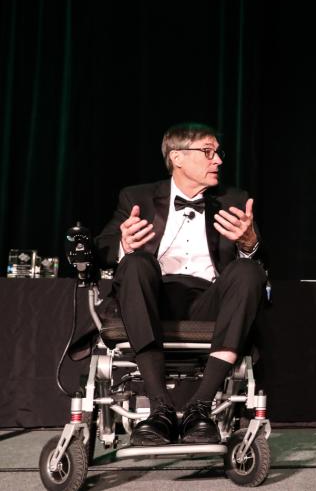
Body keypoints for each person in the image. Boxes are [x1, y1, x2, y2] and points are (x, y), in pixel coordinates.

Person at [95, 122, 266, 446]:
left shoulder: (234, 198)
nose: (218, 160)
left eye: (218, 152)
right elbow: (101, 247)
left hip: (210, 300)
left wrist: (249, 243)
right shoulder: (137, 197)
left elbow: (262, 260)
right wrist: (123, 244)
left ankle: (200, 406)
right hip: (152, 296)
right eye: (208, 152)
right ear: (177, 157)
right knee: (134, 263)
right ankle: (159, 407)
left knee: (249, 271)